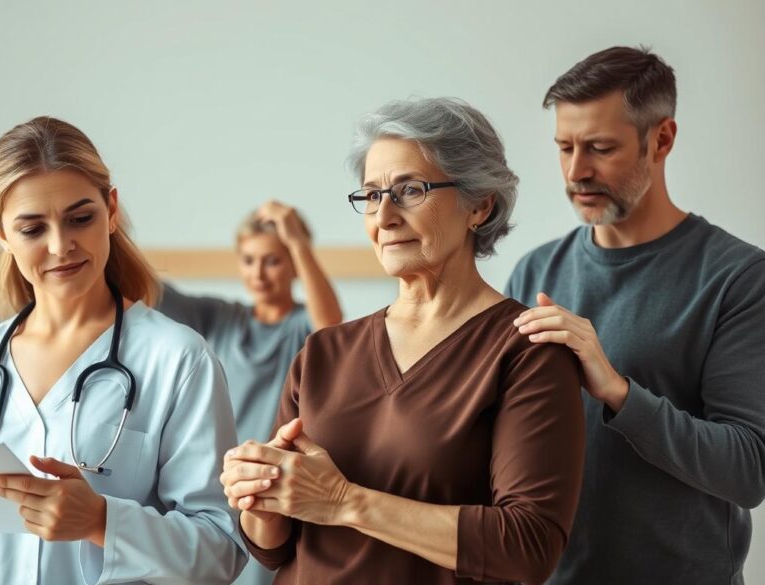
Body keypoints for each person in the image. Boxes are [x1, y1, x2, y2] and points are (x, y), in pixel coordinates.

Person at [221, 97, 585, 584]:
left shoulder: (526, 351)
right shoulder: (323, 352)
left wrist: (343, 502)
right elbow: (273, 548)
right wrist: (259, 494)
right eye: (371, 195)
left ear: (480, 204)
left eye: (410, 190)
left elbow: (527, 546)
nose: (384, 216)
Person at [0, 116, 246, 584]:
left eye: (80, 218)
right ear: (0, 233)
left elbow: (219, 549)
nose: (61, 246)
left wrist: (102, 520)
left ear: (111, 209)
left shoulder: (177, 360)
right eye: (33, 229)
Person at [506, 46, 765, 584]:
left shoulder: (739, 278)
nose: (577, 171)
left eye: (600, 148)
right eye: (564, 148)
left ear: (662, 139)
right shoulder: (535, 273)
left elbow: (749, 469)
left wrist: (619, 393)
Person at [157, 202, 341, 585]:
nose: (258, 274)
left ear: (293, 263)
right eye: (248, 260)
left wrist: (297, 239)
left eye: (272, 260)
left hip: (271, 493)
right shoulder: (219, 318)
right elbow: (147, 288)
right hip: (215, 488)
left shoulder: (303, 326)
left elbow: (331, 327)